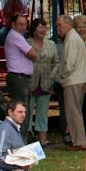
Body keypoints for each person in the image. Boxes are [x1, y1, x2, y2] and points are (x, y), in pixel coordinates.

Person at [57, 14, 86, 150]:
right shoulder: (75, 37)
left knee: (73, 112)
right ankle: (78, 140)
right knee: (76, 111)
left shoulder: (71, 39)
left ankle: (80, 141)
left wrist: (61, 77)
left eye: (60, 25)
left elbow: (69, 63)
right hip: (80, 78)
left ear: (68, 24)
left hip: (73, 80)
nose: (58, 28)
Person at [27, 17, 59, 148]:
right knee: (26, 112)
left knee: (42, 113)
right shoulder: (26, 43)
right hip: (30, 82)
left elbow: (56, 63)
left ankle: (42, 141)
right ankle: (25, 138)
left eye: (45, 27)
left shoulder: (51, 44)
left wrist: (52, 77)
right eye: (40, 27)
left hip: (46, 83)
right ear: (33, 30)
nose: (43, 30)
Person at [3, 13, 36, 112]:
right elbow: (33, 54)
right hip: (19, 78)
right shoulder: (16, 36)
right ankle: (21, 128)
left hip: (19, 78)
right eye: (21, 25)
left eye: (25, 24)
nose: (24, 27)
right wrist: (30, 53)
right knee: (22, 110)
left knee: (23, 109)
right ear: (13, 25)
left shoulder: (17, 36)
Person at [0, 100, 28, 171]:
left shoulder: (14, 127)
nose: (23, 115)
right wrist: (19, 165)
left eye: (24, 112)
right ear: (10, 112)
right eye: (20, 112)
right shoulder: (5, 129)